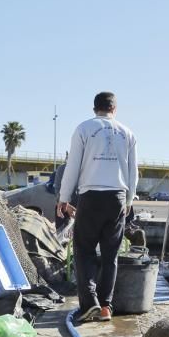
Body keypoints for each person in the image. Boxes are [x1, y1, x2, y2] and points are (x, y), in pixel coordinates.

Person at [57, 92, 138, 323]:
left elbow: (72, 166)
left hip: (91, 195)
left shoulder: (83, 129)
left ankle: (89, 302)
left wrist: (64, 198)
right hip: (117, 197)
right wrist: (129, 200)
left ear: (95, 108)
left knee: (84, 250)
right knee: (111, 254)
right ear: (115, 108)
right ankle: (105, 306)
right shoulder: (128, 133)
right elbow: (134, 172)